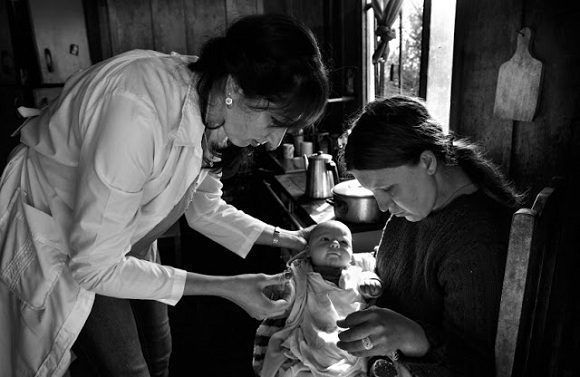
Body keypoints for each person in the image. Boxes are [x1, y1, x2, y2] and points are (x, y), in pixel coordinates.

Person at [0, 14, 328, 377]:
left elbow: (204, 209)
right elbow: (95, 265)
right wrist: (228, 287)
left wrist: (290, 237)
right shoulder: (136, 111)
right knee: (130, 369)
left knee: (159, 350)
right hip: (68, 233)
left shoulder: (211, 104)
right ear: (236, 89)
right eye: (275, 123)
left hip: (124, 238)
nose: (275, 142)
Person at [337, 95, 523, 377]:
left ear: (427, 162)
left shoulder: (477, 241)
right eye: (373, 192)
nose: (383, 205)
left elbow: (476, 367)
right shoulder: (415, 209)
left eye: (388, 188)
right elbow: (397, 274)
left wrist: (415, 338)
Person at [254, 220, 383, 377]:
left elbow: (371, 277)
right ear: (308, 251)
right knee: (283, 350)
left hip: (348, 339)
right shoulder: (301, 274)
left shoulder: (357, 272)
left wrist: (372, 285)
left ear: (351, 256)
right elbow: (284, 290)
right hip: (311, 337)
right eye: (325, 239)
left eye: (344, 242)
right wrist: (277, 290)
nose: (336, 244)